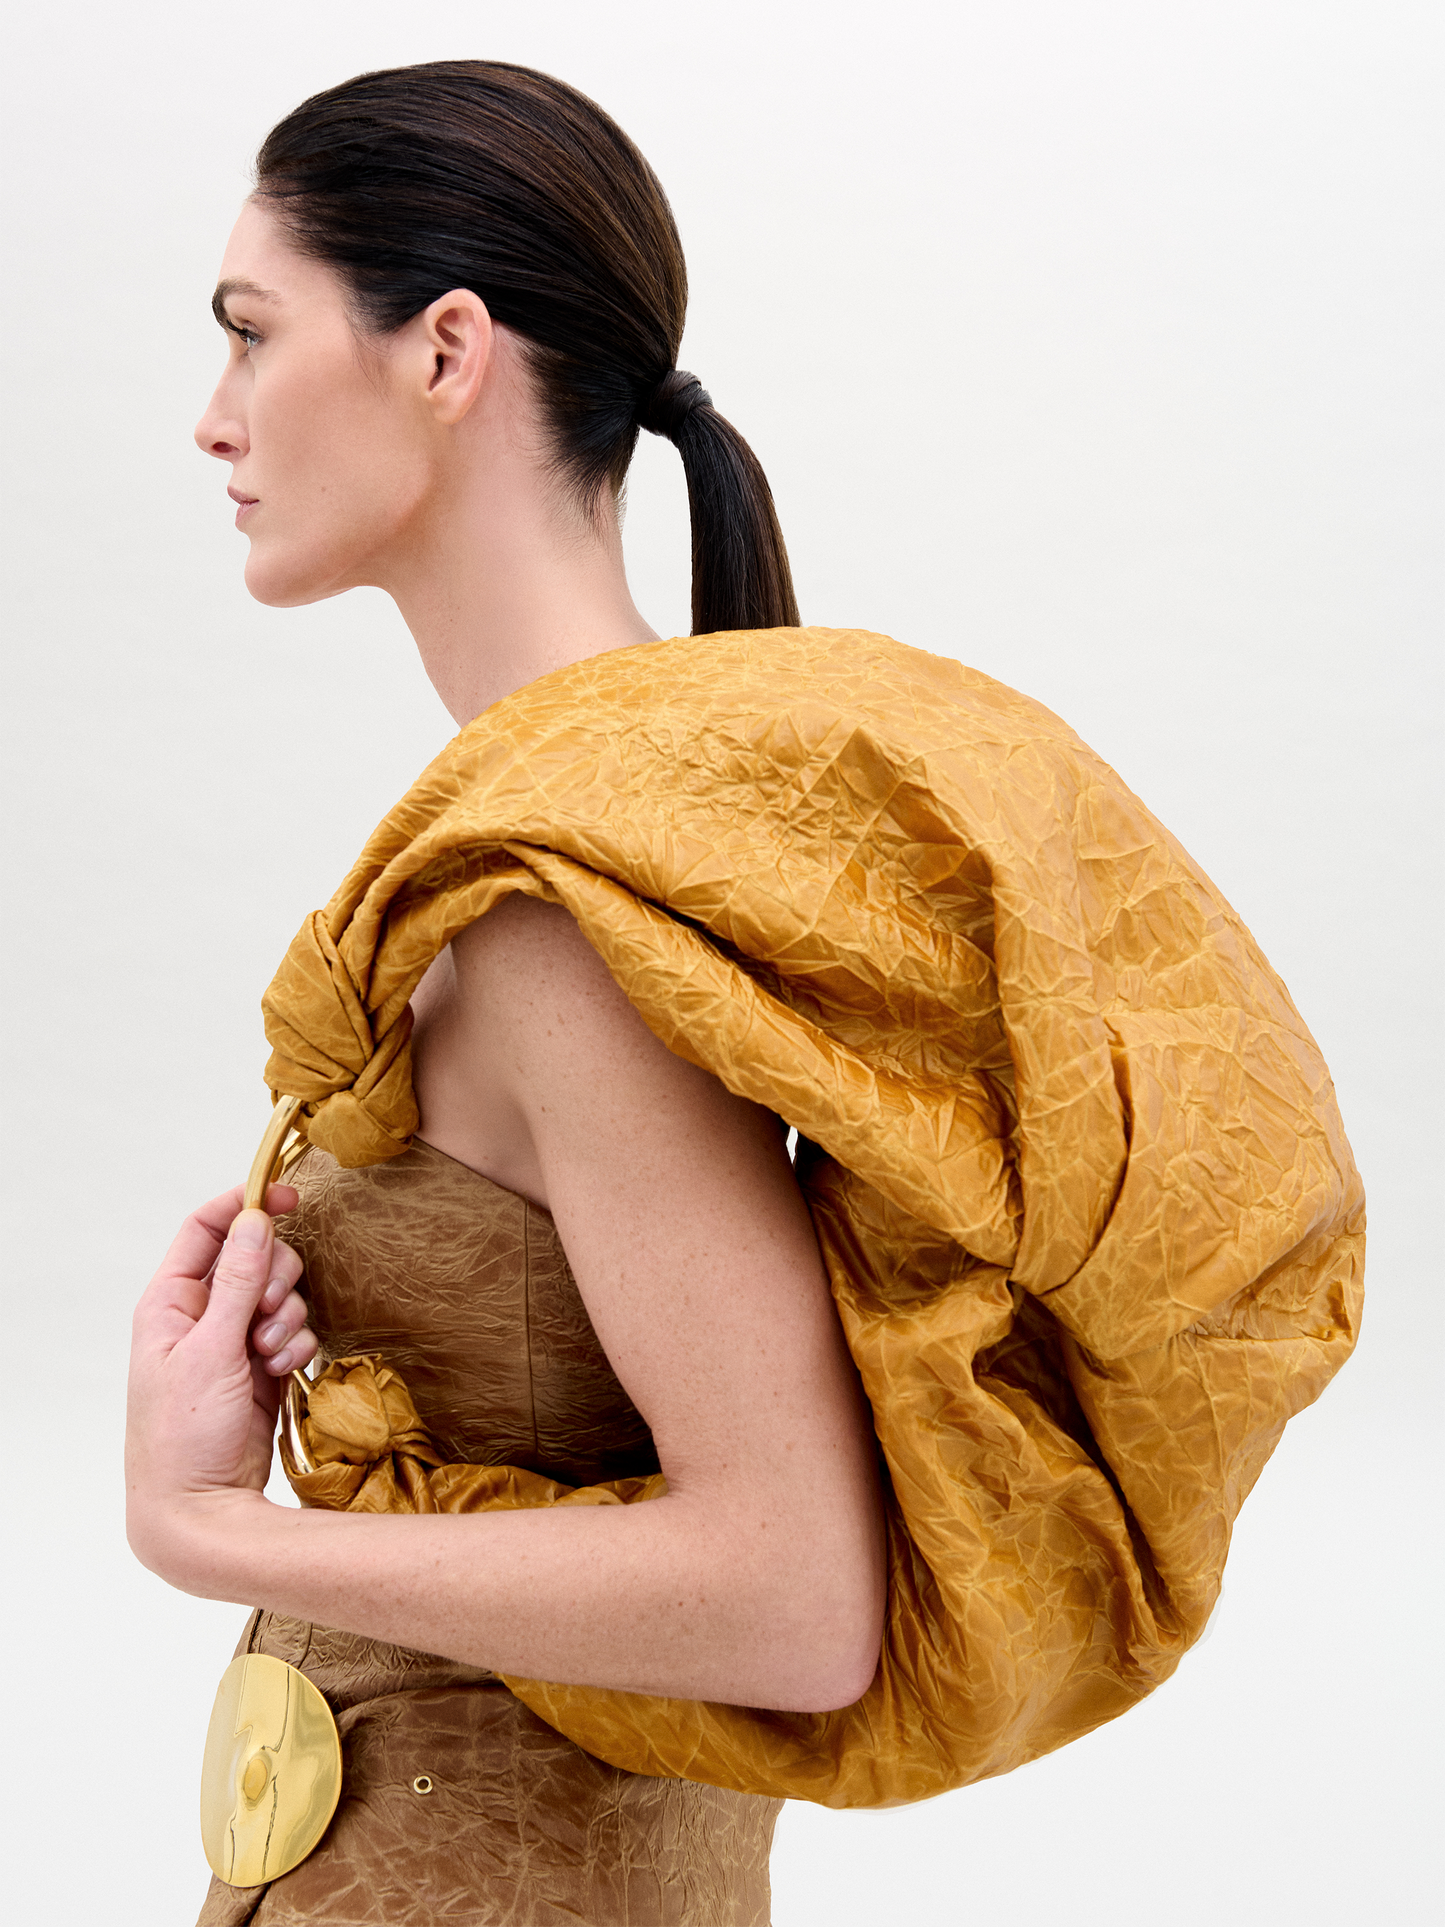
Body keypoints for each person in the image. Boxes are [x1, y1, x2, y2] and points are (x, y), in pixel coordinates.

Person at [125, 58, 887, 1927]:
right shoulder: (570, 823)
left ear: (446, 350)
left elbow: (798, 1598)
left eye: (250, 333)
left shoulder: (563, 897)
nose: (212, 420)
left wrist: (209, 1525)